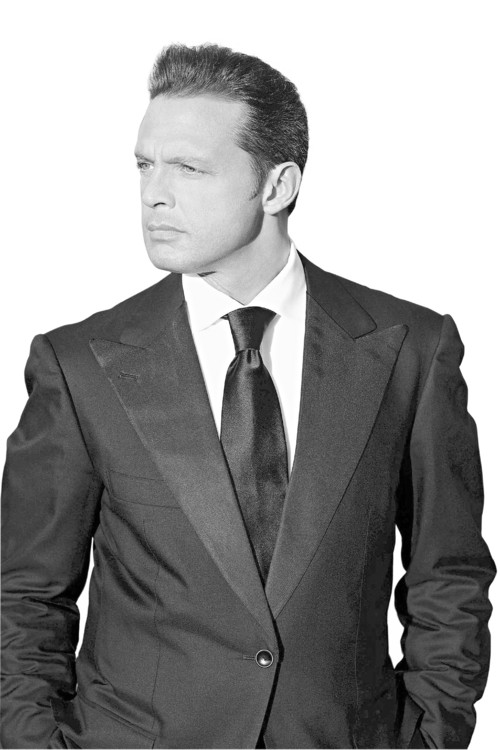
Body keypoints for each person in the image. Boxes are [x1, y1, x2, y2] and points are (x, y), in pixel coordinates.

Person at [0, 43, 495, 750]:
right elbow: (23, 596)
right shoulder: (80, 365)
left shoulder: (411, 350)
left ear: (277, 186)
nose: (154, 193)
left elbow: (449, 577)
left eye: (188, 168)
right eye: (144, 165)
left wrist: (432, 739)